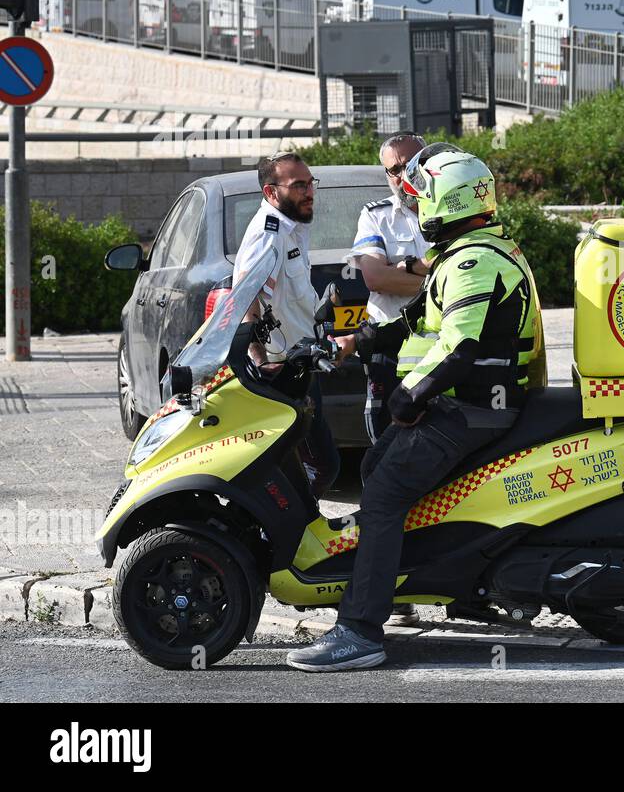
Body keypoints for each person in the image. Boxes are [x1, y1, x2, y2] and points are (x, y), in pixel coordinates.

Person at [286, 144, 546, 672]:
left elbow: (460, 347)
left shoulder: (473, 262)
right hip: (471, 404)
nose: (417, 202)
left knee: (383, 491)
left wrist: (411, 397)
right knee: (379, 465)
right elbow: (415, 322)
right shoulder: (471, 253)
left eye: (424, 195)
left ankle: (360, 629)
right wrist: (355, 342)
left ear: (444, 202)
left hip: (474, 408)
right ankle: (417, 582)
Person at [233, 151, 340, 498]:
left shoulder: (293, 228)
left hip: (301, 365)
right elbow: (244, 300)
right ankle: (277, 538)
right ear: (271, 192)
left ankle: (290, 535)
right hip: (283, 374)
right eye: (298, 186)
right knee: (316, 466)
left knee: (311, 467)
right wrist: (263, 364)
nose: (309, 192)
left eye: (310, 183)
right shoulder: (269, 234)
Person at [346, 133, 430, 446]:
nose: (402, 175)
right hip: (390, 347)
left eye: (410, 165)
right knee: (388, 440)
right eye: (393, 170)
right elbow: (375, 278)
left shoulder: (454, 212)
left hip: (444, 347)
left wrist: (401, 270)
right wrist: (440, 280)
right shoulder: (376, 216)